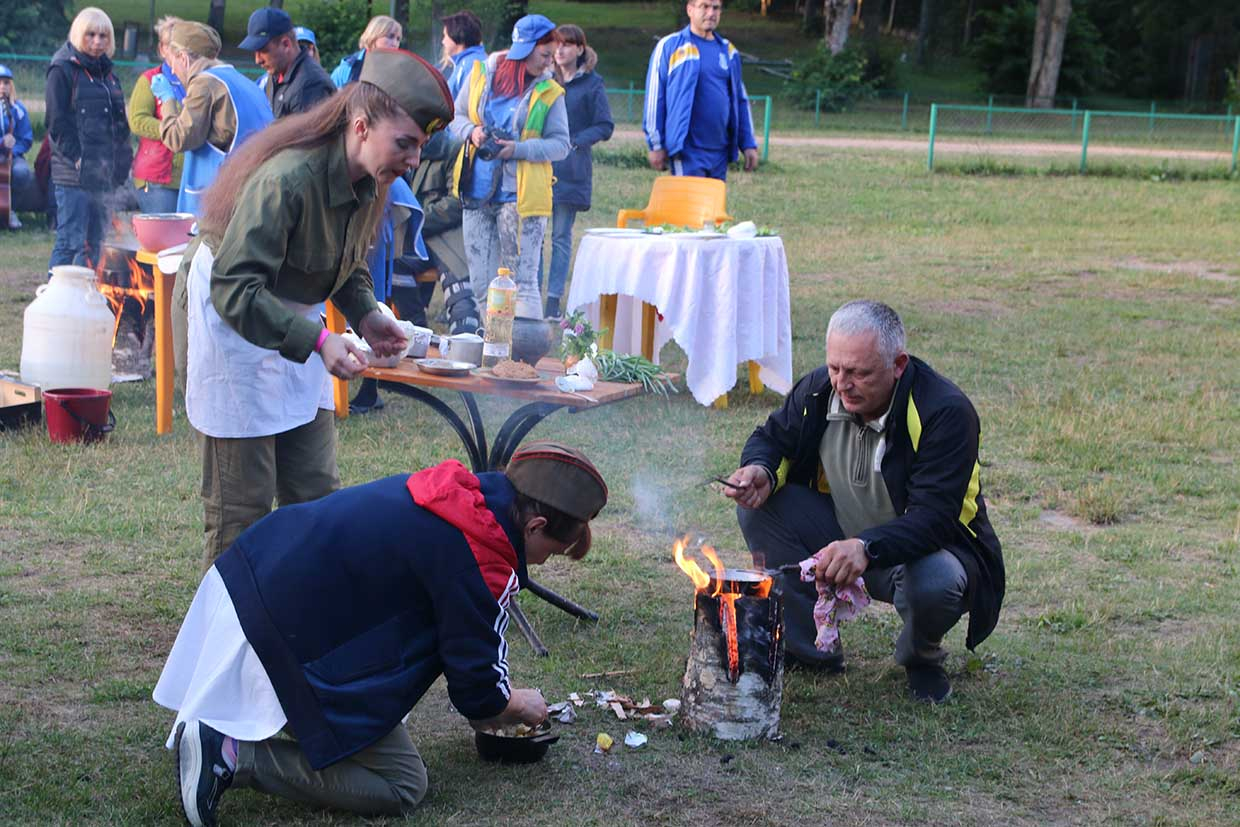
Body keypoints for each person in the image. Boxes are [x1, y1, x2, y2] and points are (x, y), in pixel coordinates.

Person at [155, 441, 608, 827]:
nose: (546, 562)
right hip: (277, 634)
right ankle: (230, 753)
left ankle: (239, 732)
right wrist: (515, 703)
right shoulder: (481, 553)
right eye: (555, 548)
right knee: (403, 784)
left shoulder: (464, 494)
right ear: (535, 525)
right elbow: (477, 691)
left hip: (248, 574)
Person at [183, 48, 452, 568]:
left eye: (420, 146)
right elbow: (235, 288)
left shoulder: (372, 178)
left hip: (297, 321)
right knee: (244, 508)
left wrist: (367, 313)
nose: (414, 160)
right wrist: (319, 341)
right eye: (406, 144)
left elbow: (343, 261)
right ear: (360, 127)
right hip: (233, 316)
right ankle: (231, 635)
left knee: (318, 494)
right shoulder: (286, 180)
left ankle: (305, 619)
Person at [725, 300, 1004, 704]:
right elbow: (771, 439)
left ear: (898, 364)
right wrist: (761, 471)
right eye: (836, 368)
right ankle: (809, 650)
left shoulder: (945, 412)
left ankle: (921, 658)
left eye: (859, 372)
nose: (843, 383)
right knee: (761, 510)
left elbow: (935, 519)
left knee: (936, 581)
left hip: (921, 552)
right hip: (841, 536)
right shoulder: (819, 389)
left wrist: (866, 547)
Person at [449, 14, 569, 319]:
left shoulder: (550, 91)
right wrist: (472, 132)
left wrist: (518, 149)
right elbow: (457, 116)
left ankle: (521, 358)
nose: (550, 62)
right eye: (544, 54)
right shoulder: (480, 74)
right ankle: (491, 352)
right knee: (481, 285)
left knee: (522, 285)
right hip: (476, 193)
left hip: (521, 199)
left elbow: (561, 145)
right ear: (524, 50)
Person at [155, 21, 273, 217]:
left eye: (172, 63)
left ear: (183, 58)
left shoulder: (204, 84)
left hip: (221, 200)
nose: (173, 72)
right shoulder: (241, 80)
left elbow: (178, 138)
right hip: (254, 192)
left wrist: (167, 100)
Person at [44, 6, 132, 269]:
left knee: (94, 244)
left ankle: (83, 302)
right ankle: (55, 305)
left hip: (104, 175)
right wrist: (78, 157)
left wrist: (123, 164)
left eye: (103, 36)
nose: (97, 42)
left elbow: (120, 126)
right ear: (78, 34)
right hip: (73, 175)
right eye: (90, 34)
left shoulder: (109, 76)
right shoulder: (61, 70)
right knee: (70, 242)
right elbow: (56, 123)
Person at [643, 0, 758, 180]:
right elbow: (655, 97)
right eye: (704, 6)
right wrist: (656, 145)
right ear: (690, 10)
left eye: (716, 8)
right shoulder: (670, 47)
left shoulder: (728, 51)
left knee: (711, 208)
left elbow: (740, 100)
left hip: (719, 151)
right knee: (688, 207)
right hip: (686, 151)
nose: (711, 13)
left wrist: (748, 143)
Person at [544, 24, 613, 319]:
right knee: (534, 236)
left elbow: (604, 125)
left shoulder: (592, 84)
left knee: (560, 235)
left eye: (568, 45)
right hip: (540, 165)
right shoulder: (544, 79)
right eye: (557, 44)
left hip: (571, 169)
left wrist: (575, 142)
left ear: (580, 49)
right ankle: (531, 297)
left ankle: (551, 299)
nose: (560, 50)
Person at [128, 15, 185, 215]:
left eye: (183, 46)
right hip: (156, 178)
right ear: (162, 49)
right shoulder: (150, 80)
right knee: (163, 242)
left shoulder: (197, 81)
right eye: (173, 46)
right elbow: (137, 121)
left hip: (191, 178)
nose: (179, 52)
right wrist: (173, 131)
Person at [241, 6, 334, 119]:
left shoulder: (310, 85)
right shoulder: (276, 74)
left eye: (263, 51)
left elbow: (307, 136)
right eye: (255, 52)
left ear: (286, 44)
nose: (258, 60)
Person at [0, 64, 37, 228]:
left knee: (21, 172)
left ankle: (10, 208)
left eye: (6, 82)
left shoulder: (18, 109)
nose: (2, 86)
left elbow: (26, 138)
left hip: (12, 156)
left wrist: (13, 151)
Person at [330, 15, 402, 88]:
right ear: (374, 36)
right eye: (390, 36)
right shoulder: (349, 67)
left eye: (398, 39)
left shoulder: (400, 71)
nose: (395, 44)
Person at [440, 10, 487, 99]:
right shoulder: (473, 61)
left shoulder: (470, 66)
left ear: (458, 36)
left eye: (445, 36)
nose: (443, 41)